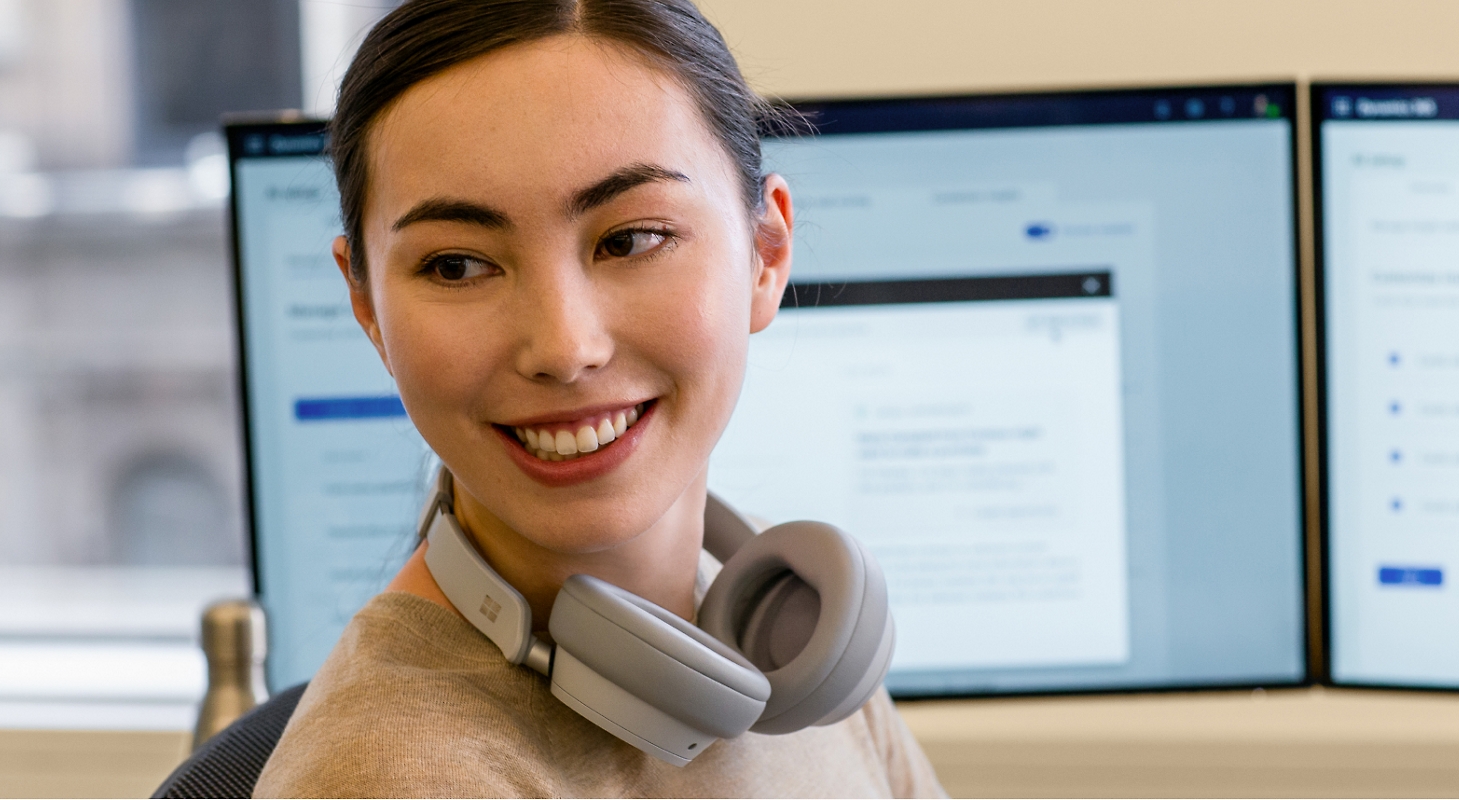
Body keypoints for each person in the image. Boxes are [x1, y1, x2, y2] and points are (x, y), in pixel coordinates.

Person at [255, 0, 945, 795]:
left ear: (766, 252)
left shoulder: (784, 626)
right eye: (456, 265)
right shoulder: (396, 773)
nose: (563, 347)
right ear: (367, 304)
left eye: (630, 239)